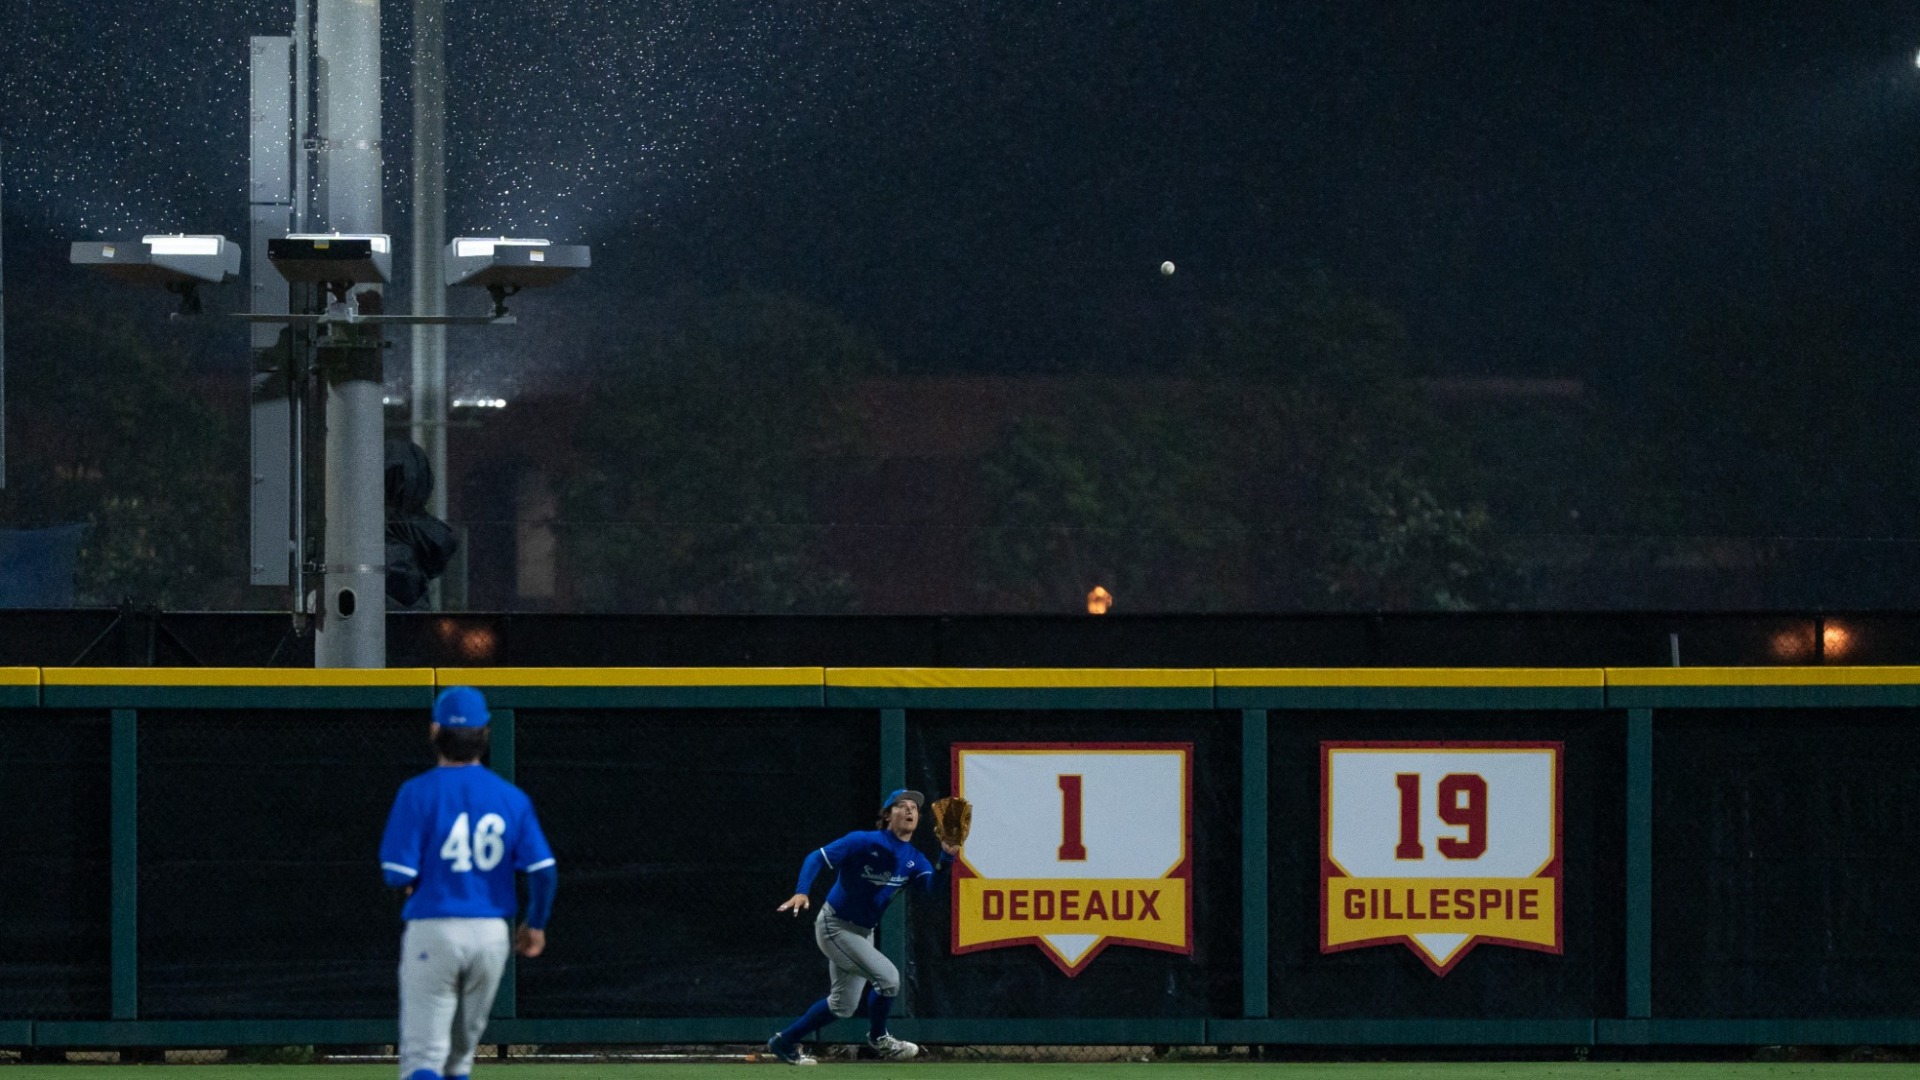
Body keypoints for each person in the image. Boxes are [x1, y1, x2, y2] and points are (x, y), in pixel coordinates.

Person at [379, 686, 557, 1080]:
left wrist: (416, 880)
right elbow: (543, 869)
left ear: (434, 731)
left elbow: (397, 873)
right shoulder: (510, 798)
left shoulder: (416, 792)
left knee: (424, 1058)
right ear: (485, 735)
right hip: (491, 934)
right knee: (459, 1059)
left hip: (435, 928)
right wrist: (537, 924)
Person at [767, 788, 962, 1065]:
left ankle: (783, 1042)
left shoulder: (914, 859)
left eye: (915, 808)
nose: (909, 811)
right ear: (886, 815)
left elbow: (931, 890)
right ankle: (879, 1037)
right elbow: (816, 857)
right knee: (889, 979)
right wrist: (802, 891)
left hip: (863, 933)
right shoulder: (861, 841)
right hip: (835, 926)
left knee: (842, 1006)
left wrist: (947, 857)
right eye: (901, 806)